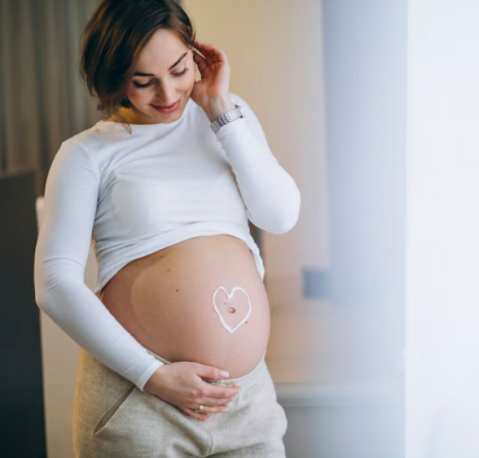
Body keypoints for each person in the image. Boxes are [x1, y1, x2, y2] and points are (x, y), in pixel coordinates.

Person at [33, 0, 300, 456]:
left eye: (179, 69)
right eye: (144, 81)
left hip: (246, 400)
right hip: (140, 401)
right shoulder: (86, 155)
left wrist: (219, 110)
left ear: (196, 54)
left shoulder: (228, 116)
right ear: (115, 78)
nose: (169, 93)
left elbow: (279, 215)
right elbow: (54, 284)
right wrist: (152, 375)